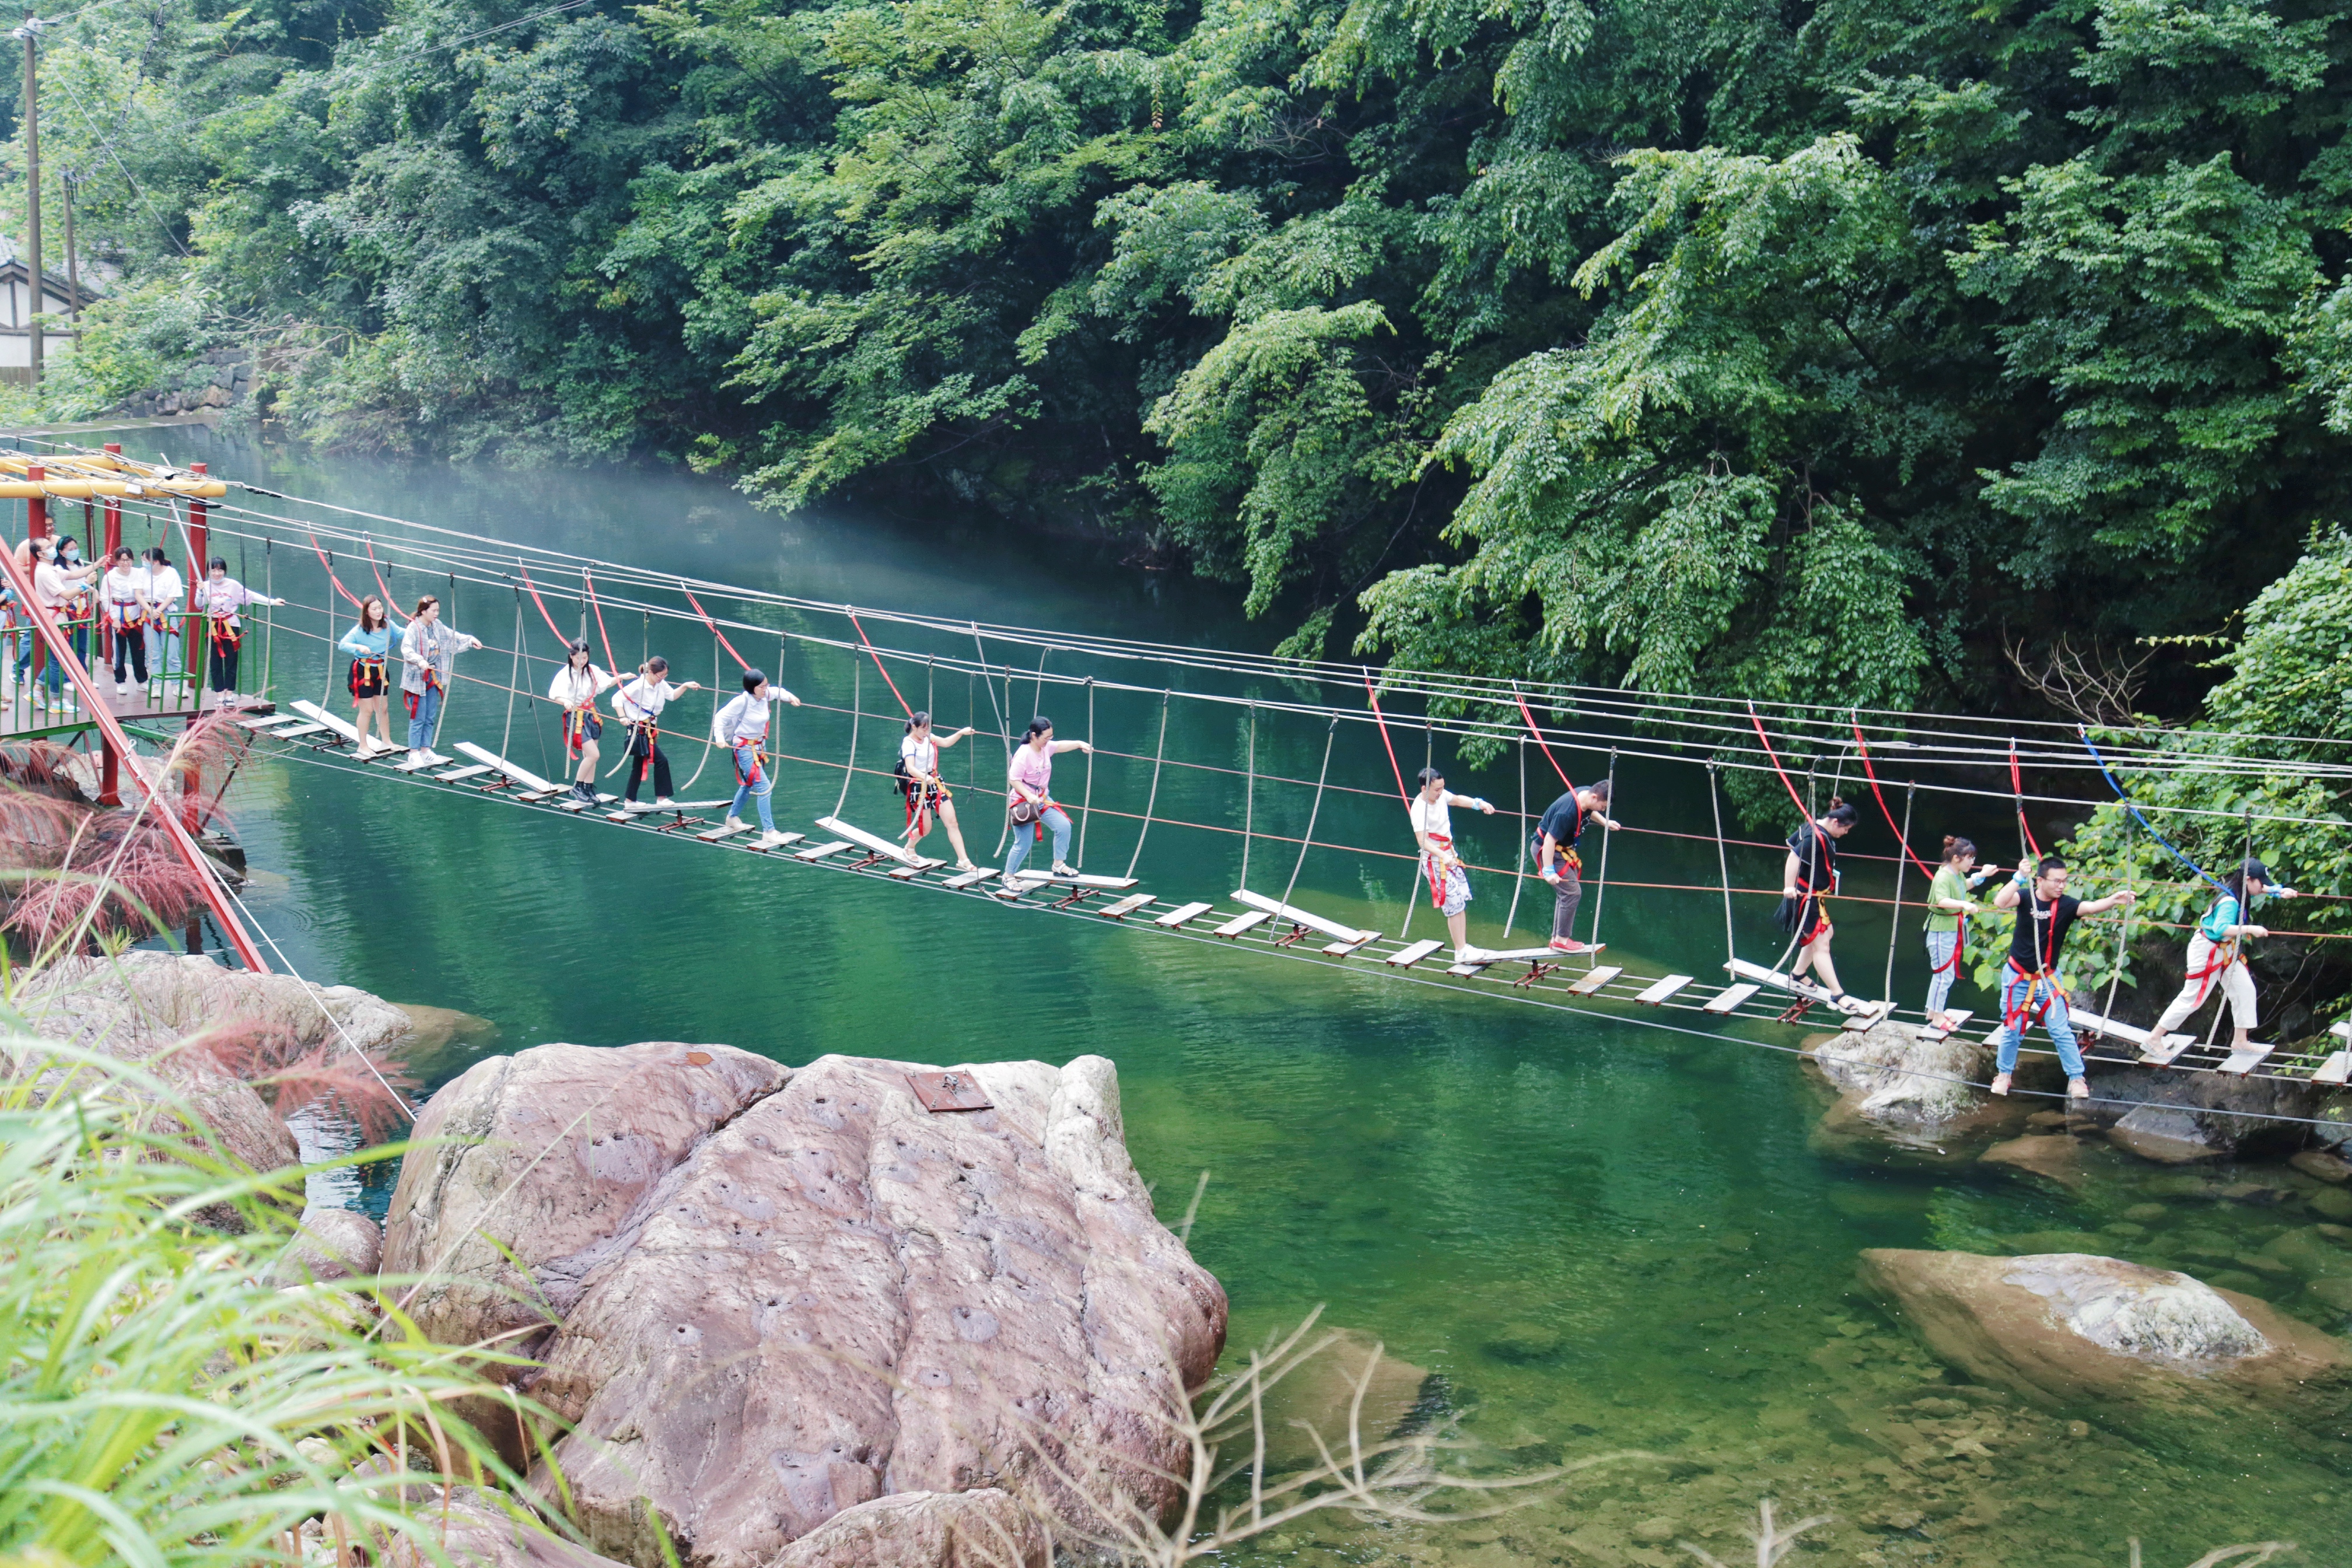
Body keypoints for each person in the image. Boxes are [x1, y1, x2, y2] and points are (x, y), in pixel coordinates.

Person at [1987, 855, 2138, 1099]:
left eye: (2064, 881)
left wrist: (2113, 901)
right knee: (2013, 1028)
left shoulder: (2066, 905)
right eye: (2056, 881)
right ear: (2040, 881)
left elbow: (2090, 907)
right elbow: (2000, 902)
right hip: (2017, 976)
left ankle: (2077, 1079)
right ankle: (2004, 1074)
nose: (2061, 886)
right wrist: (2018, 877)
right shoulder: (2026, 898)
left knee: (2060, 1030)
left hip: (2047, 978)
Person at [2145, 859, 2295, 1058]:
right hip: (2207, 951)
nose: (2263, 885)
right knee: (2193, 999)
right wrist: (2251, 929)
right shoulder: (2230, 902)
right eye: (2261, 881)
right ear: (2248, 880)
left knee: (2245, 989)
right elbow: (2221, 928)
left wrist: (2278, 891)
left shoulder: (2239, 889)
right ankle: (2154, 1038)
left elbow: (2261, 889)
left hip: (2226, 950)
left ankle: (2241, 1041)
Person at [1777, 800, 1861, 1009]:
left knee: (1825, 934)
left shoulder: (1813, 825)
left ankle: (1798, 974)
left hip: (1815, 897)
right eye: (1846, 828)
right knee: (1822, 944)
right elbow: (1794, 856)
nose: (1846, 833)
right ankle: (1837, 994)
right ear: (1835, 822)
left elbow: (1792, 843)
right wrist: (1789, 886)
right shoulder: (1816, 838)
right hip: (1805, 897)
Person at [1410, 765, 1499, 960]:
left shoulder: (1441, 796)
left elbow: (1457, 800)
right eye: (1436, 789)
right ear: (1425, 789)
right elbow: (1423, 841)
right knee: (1452, 904)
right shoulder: (1419, 809)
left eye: (1442, 788)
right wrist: (1443, 856)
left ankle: (1464, 946)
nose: (1440, 793)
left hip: (1449, 855)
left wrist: (1479, 804)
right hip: (1435, 861)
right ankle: (1460, 950)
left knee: (1459, 901)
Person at [711, 667, 799, 846]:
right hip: (744, 749)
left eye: (766, 685)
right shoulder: (742, 702)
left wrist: (790, 698)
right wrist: (719, 739)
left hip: (759, 747)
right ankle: (769, 831)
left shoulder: (765, 696)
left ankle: (732, 817)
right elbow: (720, 718)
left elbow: (777, 691)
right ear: (752, 688)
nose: (766, 689)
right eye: (762, 686)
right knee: (765, 787)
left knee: (748, 784)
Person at [1534, 778, 1620, 955]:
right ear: (1595, 797)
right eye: (1603, 807)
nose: (1602, 810)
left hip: (1560, 850)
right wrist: (1548, 871)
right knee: (1572, 893)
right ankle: (1561, 940)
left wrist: (1605, 822)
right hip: (1548, 850)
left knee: (1566, 892)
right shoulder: (1567, 813)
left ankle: (1557, 938)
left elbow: (1590, 811)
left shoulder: (1587, 794)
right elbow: (1550, 840)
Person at [1002, 716, 1093, 881]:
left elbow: (1059, 746)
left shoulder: (1045, 747)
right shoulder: (1023, 755)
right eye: (1046, 738)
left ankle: (1058, 864)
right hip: (1023, 802)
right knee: (1023, 844)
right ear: (1034, 736)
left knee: (1064, 826)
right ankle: (1009, 875)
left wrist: (1079, 744)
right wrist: (1029, 796)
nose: (1049, 741)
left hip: (1042, 798)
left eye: (1050, 737)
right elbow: (1013, 779)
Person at [1923, 835, 1998, 1031]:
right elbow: (1942, 901)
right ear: (1957, 858)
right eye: (1970, 858)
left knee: (1943, 974)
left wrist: (1982, 875)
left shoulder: (1955, 874)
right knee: (1943, 975)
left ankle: (1933, 1011)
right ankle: (1938, 1018)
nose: (1972, 862)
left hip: (1950, 928)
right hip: (1940, 930)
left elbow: (1962, 888)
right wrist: (1965, 904)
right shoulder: (1943, 876)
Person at [191, 556, 284, 709]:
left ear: (225, 571)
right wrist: (200, 591)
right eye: (213, 570)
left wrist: (271, 601)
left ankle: (229, 693)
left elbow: (251, 596)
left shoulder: (233, 585)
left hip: (231, 625)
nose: (216, 573)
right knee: (214, 660)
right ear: (209, 571)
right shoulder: (205, 586)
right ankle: (219, 693)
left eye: (220, 570)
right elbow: (199, 605)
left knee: (231, 660)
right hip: (212, 625)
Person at [400, 594, 481, 761]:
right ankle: (413, 752)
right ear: (423, 611)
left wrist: (470, 640)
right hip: (417, 678)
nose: (436, 614)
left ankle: (425, 750)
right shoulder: (413, 628)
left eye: (438, 611)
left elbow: (452, 636)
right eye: (434, 610)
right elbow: (406, 649)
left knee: (430, 715)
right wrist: (420, 660)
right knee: (418, 716)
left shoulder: (437, 626)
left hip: (433, 677)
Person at [19, 536, 97, 707]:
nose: (52, 548)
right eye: (49, 547)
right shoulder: (45, 572)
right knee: (58, 661)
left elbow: (74, 574)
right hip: (54, 620)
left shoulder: (51, 569)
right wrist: (86, 585)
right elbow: (67, 595)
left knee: (59, 658)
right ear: (40, 553)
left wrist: (98, 564)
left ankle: (38, 690)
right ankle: (56, 700)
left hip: (58, 618)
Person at [612, 655, 701, 805]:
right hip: (638, 729)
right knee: (661, 761)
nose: (662, 678)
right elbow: (617, 698)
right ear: (651, 673)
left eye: (665, 675)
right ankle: (661, 797)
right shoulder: (638, 685)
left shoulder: (661, 684)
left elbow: (672, 696)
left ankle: (630, 799)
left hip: (650, 728)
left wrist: (685, 686)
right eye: (660, 675)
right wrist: (622, 717)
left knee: (639, 765)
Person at [897, 710, 978, 869]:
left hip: (935, 783)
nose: (926, 732)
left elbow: (946, 742)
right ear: (914, 727)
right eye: (923, 729)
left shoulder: (928, 737)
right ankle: (909, 847)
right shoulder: (909, 743)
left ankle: (963, 860)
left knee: (952, 822)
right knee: (926, 829)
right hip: (919, 785)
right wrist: (923, 776)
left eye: (928, 729)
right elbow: (911, 768)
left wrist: (961, 733)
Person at [548, 638, 620, 803]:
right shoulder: (565, 673)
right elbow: (555, 694)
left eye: (585, 658)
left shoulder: (592, 670)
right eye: (578, 658)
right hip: (576, 715)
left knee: (590, 755)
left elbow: (605, 684)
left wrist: (620, 677)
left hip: (592, 714)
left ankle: (588, 787)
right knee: (594, 755)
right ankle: (577, 787)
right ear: (571, 656)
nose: (581, 661)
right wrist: (565, 701)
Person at [337, 596, 400, 752]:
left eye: (380, 608)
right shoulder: (359, 630)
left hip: (381, 670)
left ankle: (387, 741)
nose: (379, 611)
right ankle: (363, 746)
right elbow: (342, 645)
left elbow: (403, 634)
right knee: (367, 710)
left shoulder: (388, 625)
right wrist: (358, 647)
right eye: (374, 609)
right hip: (363, 672)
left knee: (382, 708)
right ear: (367, 612)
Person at [99, 547, 152, 694]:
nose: (125, 563)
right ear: (117, 561)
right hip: (118, 616)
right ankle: (120, 681)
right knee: (119, 652)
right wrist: (114, 618)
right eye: (122, 560)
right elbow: (105, 598)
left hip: (136, 616)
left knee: (139, 650)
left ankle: (142, 680)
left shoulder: (139, 573)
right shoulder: (110, 577)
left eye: (128, 560)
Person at [139, 547, 184, 687]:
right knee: (153, 654)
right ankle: (156, 684)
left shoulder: (171, 573)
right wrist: (150, 610)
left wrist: (158, 610)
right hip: (148, 612)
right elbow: (138, 593)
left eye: (145, 560)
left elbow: (172, 595)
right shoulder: (142, 573)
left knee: (172, 653)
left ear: (156, 562)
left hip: (166, 613)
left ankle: (177, 684)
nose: (143, 563)